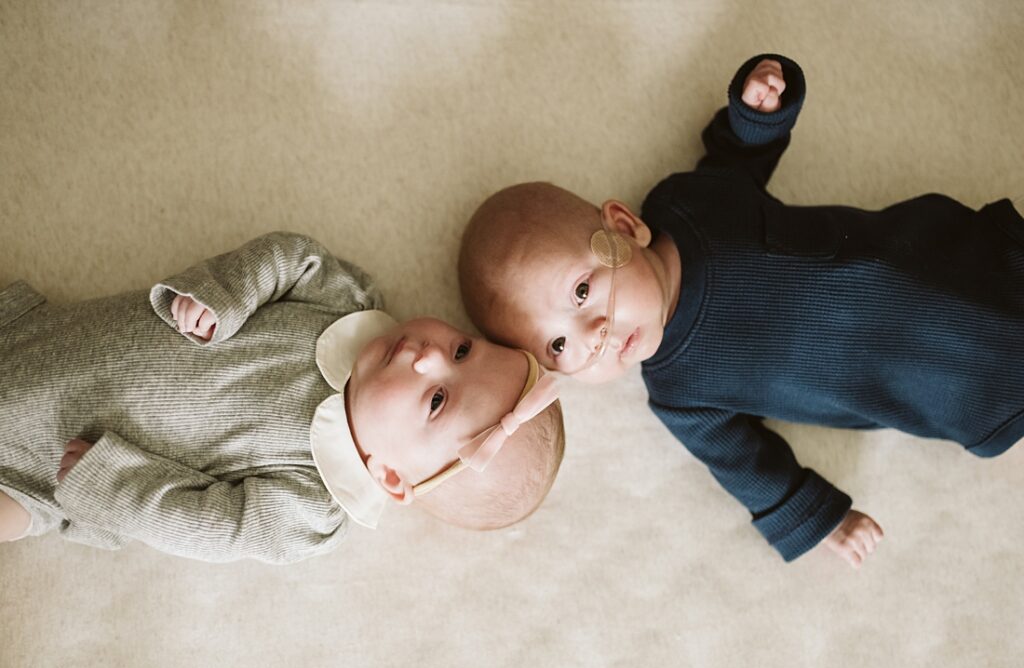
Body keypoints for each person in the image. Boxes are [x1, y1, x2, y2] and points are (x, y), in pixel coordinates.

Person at [458, 53, 1024, 568]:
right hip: (936, 385)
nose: (594, 335)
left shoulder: (686, 204)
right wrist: (822, 520)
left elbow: (737, 162)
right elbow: (746, 464)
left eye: (581, 292)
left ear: (625, 227)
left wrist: (758, 113)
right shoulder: (681, 393)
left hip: (938, 257)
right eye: (558, 347)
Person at [0, 232, 565, 563]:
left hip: (49, 470)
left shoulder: (310, 507)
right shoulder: (347, 301)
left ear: (391, 476)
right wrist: (226, 296)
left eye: (436, 400)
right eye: (463, 349)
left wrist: (111, 484)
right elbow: (290, 257)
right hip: (45, 338)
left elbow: (209, 526)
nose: (429, 356)